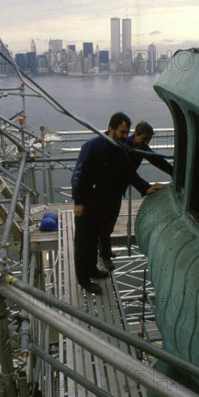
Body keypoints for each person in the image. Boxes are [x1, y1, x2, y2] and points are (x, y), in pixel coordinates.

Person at [71, 112, 163, 294]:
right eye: (121, 132)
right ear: (111, 129)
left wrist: (145, 188)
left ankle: (93, 270)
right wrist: (78, 201)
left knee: (95, 236)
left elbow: (128, 172)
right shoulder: (92, 146)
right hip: (88, 201)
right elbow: (78, 175)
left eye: (126, 132)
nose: (124, 136)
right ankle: (84, 280)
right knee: (84, 241)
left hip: (103, 201)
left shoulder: (120, 150)